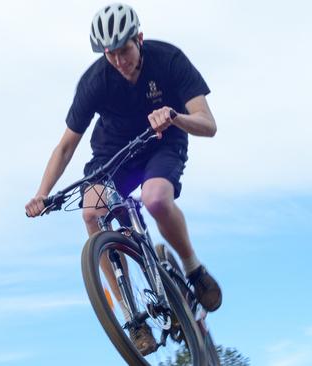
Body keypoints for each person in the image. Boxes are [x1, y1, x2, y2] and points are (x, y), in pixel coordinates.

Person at [25, 3, 222, 356]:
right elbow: (67, 145)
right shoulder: (95, 81)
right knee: (91, 212)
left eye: (124, 51)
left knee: (156, 199)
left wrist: (174, 116)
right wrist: (42, 194)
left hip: (163, 140)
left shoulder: (169, 60)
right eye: (110, 54)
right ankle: (133, 318)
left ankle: (193, 269)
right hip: (114, 153)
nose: (119, 60)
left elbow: (208, 124)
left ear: (139, 39)